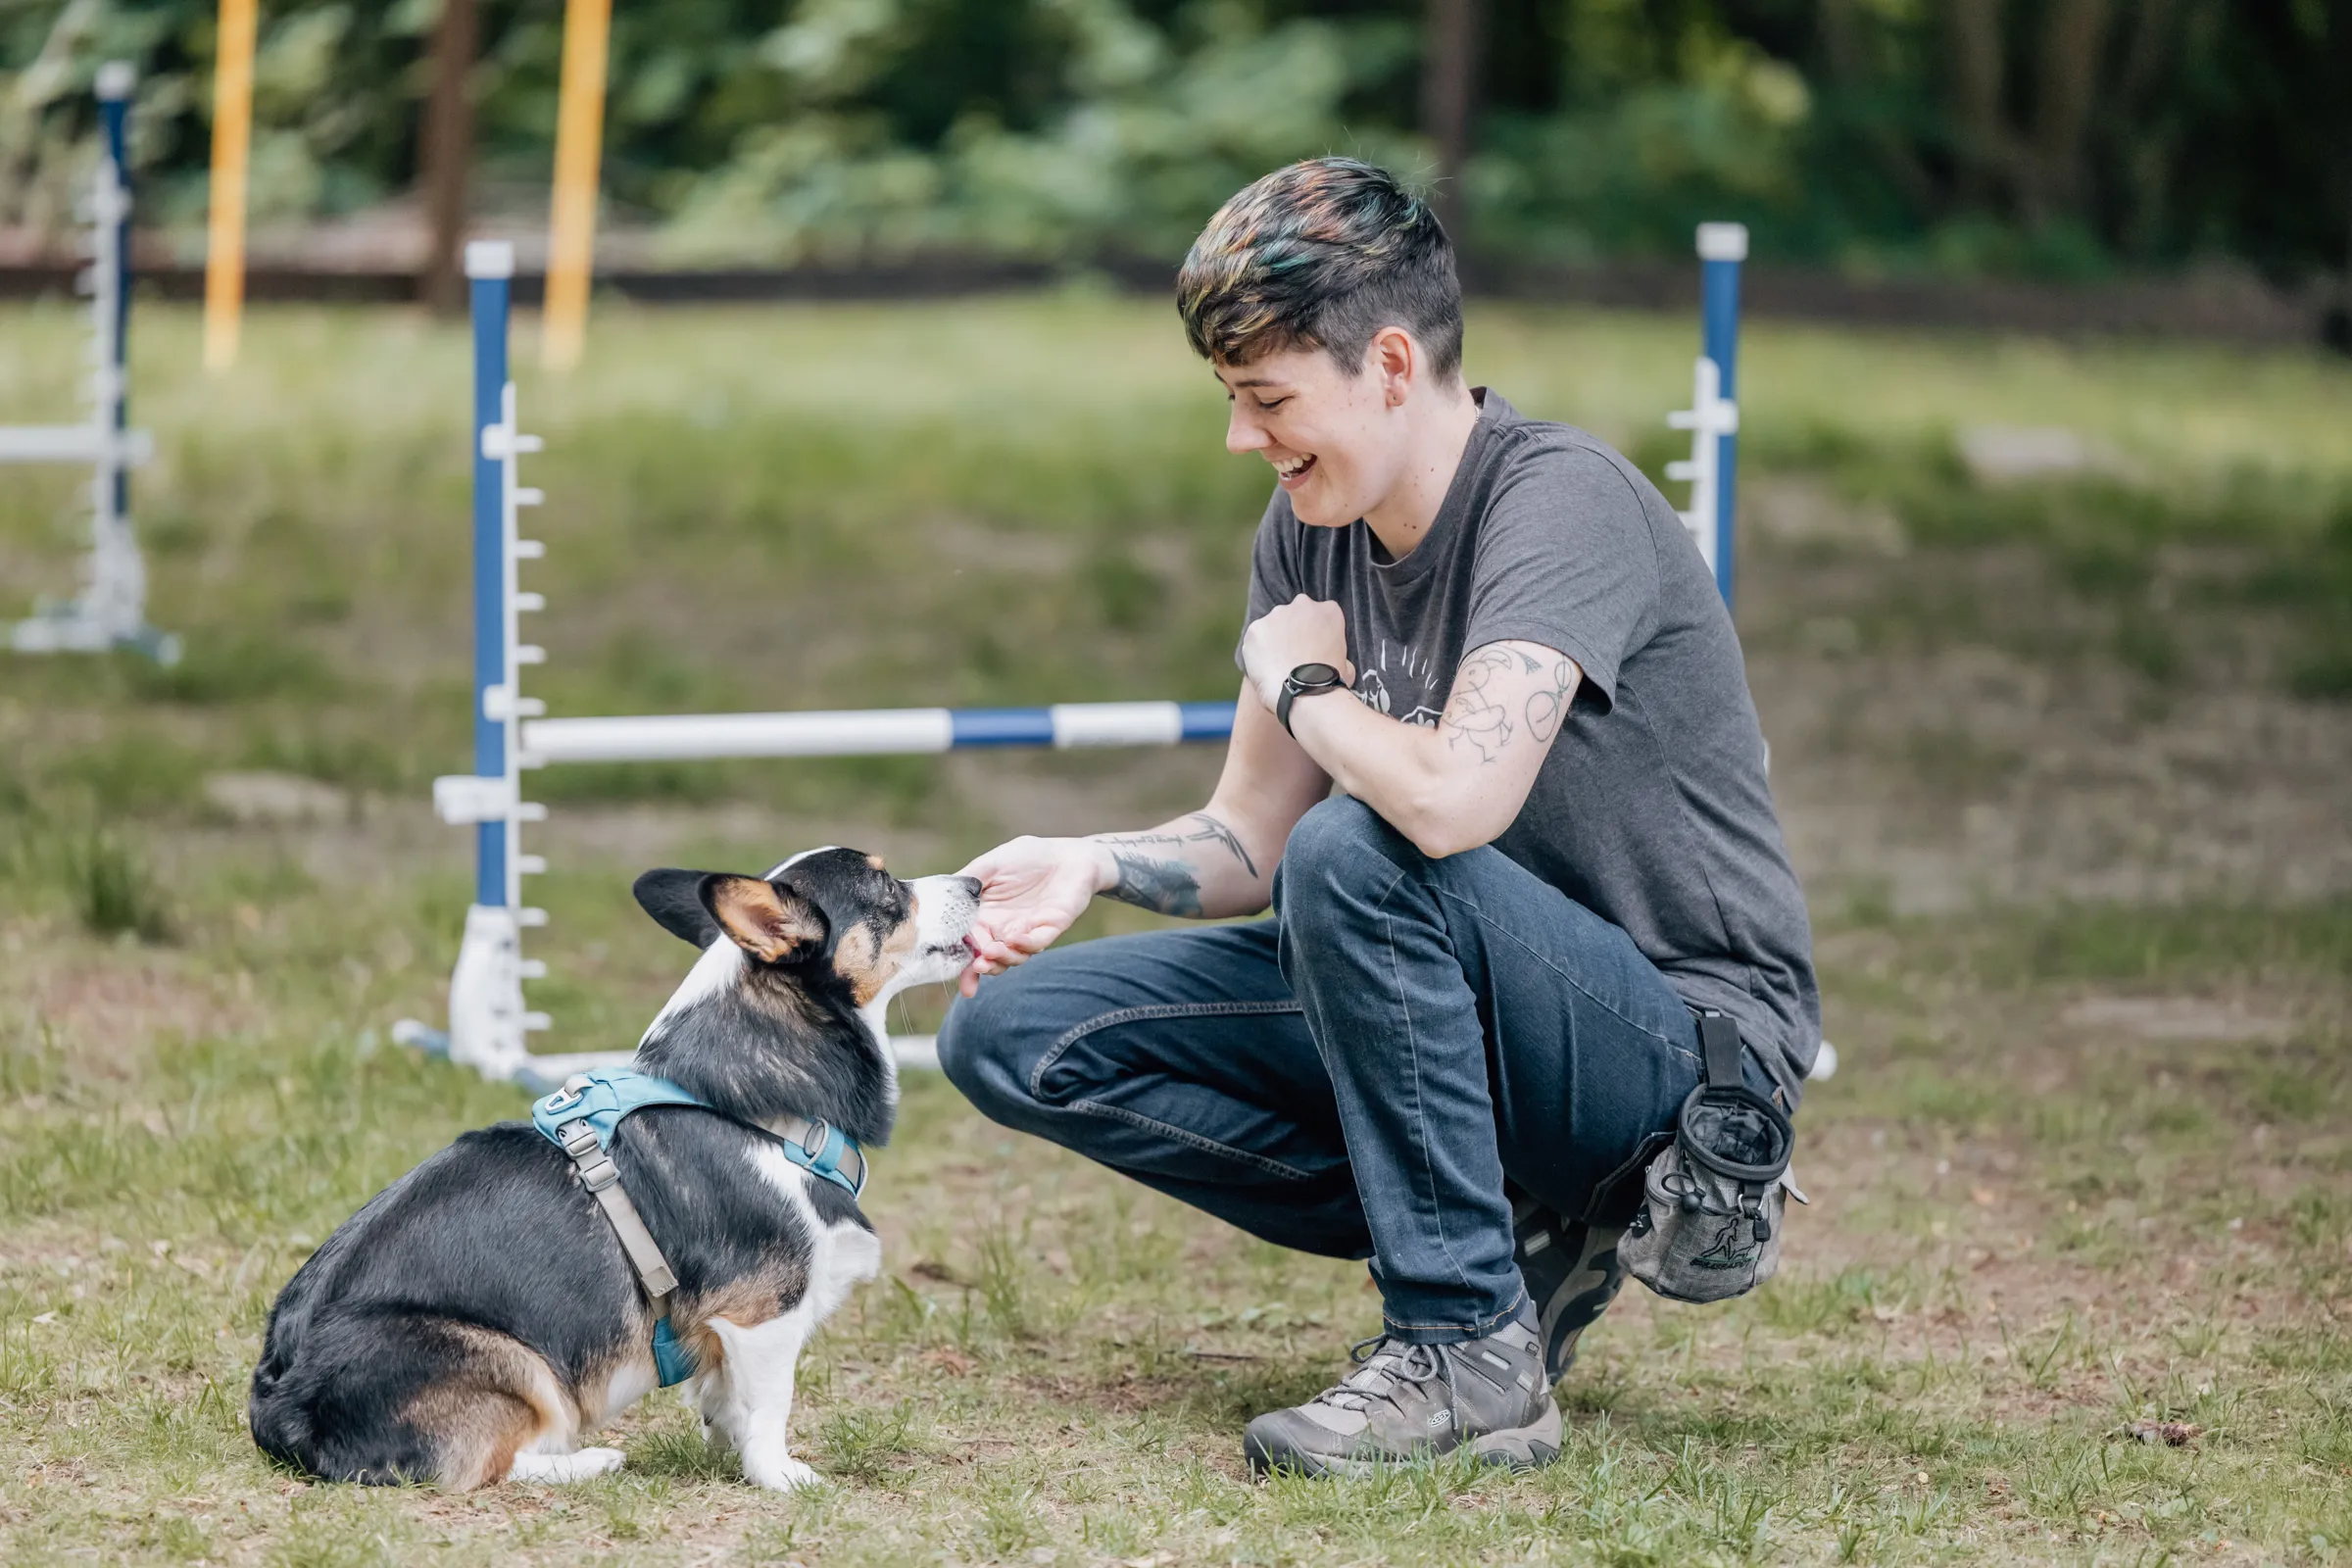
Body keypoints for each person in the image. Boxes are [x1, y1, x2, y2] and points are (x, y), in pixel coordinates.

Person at [937, 156, 1818, 1479]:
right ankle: (1492, 1227)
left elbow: (1450, 805)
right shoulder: (1309, 528)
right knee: (1013, 1035)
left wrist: (1303, 683)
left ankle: (1468, 1350)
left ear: (1392, 364)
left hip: (1673, 1055)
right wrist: (1093, 862)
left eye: (1268, 399)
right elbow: (1252, 835)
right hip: (1447, 1000)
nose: (1245, 438)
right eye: (1234, 400)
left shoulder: (1561, 505)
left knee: (1364, 850)